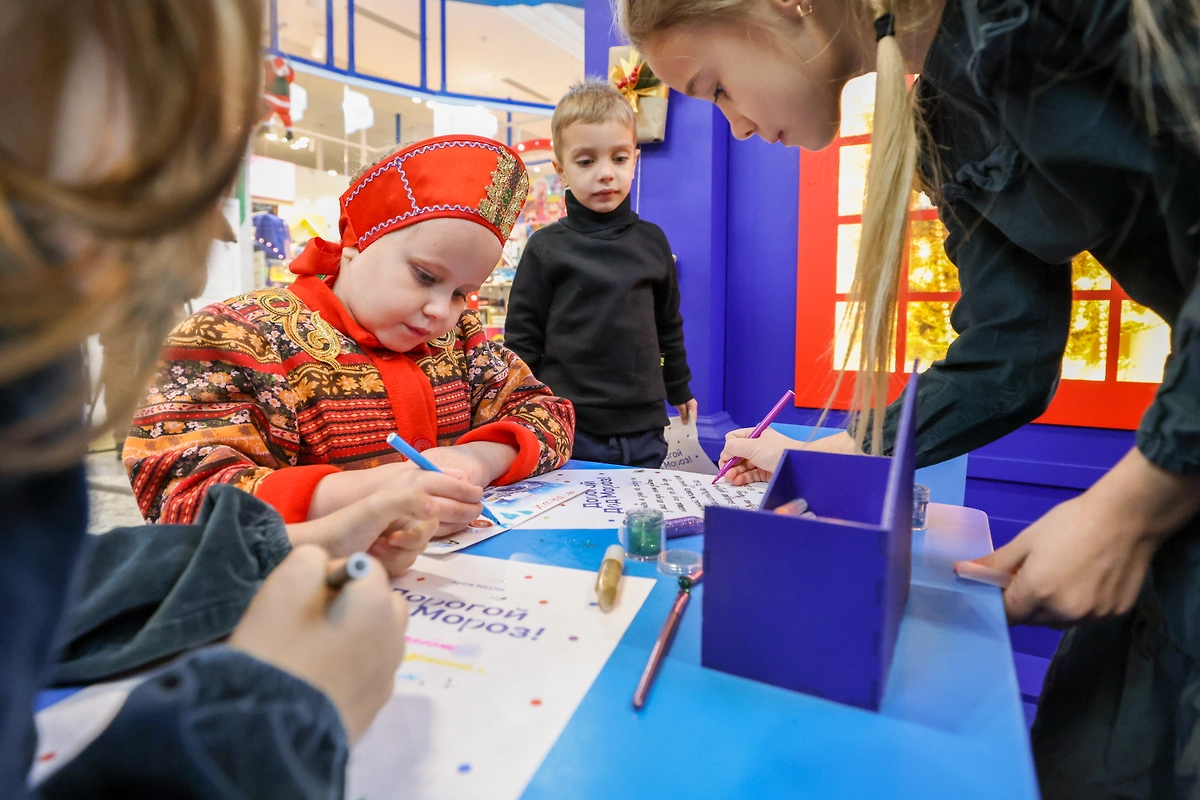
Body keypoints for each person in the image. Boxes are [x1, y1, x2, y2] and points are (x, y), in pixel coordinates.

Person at [619, 0, 1200, 795]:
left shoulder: (1035, 19)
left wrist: (1130, 506)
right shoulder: (943, 114)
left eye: (716, 88)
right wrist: (849, 447)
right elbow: (1006, 355)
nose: (740, 128)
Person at [0, 1, 449, 797]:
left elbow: (48, 584)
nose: (208, 242)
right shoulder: (240, 332)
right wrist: (269, 719)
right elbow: (179, 474)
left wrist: (281, 549)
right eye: (176, 150)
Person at [123, 135, 576, 531]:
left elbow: (548, 412)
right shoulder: (237, 339)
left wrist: (477, 459)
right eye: (423, 275)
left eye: (462, 292)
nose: (440, 311)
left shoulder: (460, 344)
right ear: (357, 241)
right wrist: (369, 494)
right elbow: (180, 495)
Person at [505, 81, 696, 469]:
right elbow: (522, 339)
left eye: (619, 158)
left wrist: (679, 386)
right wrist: (520, 404)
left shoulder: (653, 241)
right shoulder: (545, 247)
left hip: (645, 426)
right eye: (587, 161)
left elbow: (668, 325)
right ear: (561, 170)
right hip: (569, 426)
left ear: (635, 160)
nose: (606, 174)